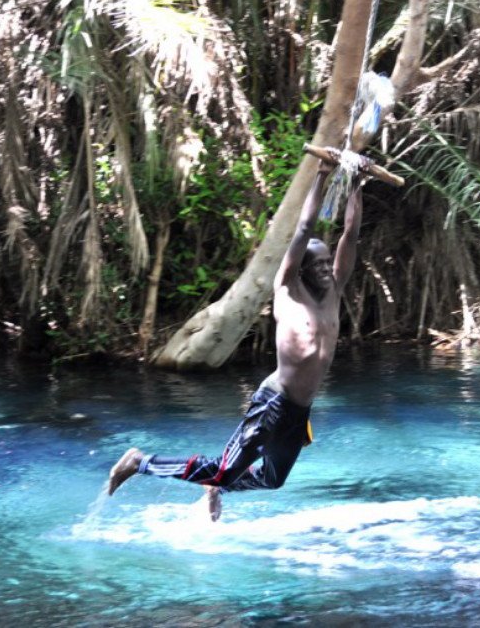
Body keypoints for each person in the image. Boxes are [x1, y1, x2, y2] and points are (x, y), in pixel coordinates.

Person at [107, 155, 371, 521]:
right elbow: (303, 229)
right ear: (301, 271)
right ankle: (139, 462)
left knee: (273, 478)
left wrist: (357, 182)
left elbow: (351, 235)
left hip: (299, 410)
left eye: (329, 263)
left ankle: (218, 486)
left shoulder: (335, 291)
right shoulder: (289, 291)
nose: (327, 270)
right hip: (273, 401)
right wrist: (322, 174)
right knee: (221, 467)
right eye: (318, 266)